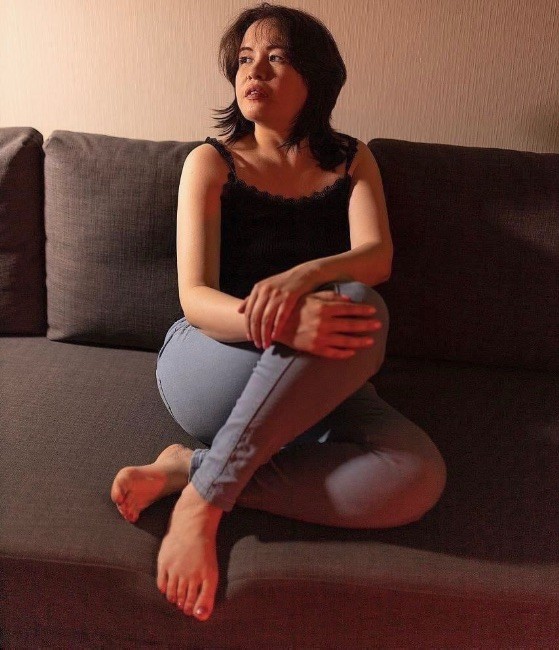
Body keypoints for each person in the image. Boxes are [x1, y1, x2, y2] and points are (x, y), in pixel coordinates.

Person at [111, 2, 447, 623]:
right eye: (244, 58)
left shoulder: (351, 158)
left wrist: (304, 276)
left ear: (315, 77)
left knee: (417, 475)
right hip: (215, 356)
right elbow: (195, 298)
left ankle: (192, 470)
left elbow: (375, 258)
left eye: (276, 57)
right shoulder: (211, 162)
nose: (253, 70)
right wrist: (282, 322)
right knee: (357, 307)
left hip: (316, 376)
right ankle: (205, 505)